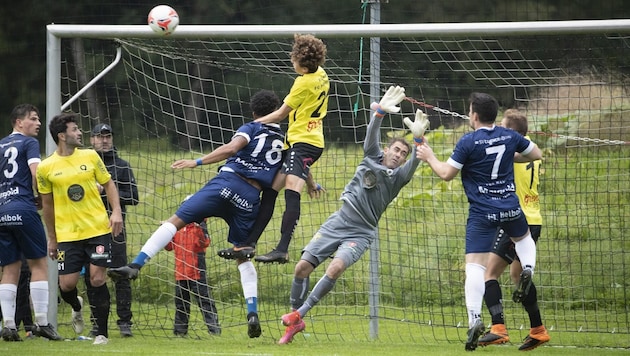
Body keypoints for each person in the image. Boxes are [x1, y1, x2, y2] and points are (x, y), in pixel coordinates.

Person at [108, 89, 285, 338]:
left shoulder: (252, 127)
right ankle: (252, 311)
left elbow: (232, 148)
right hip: (249, 198)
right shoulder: (285, 140)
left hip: (226, 183)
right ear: (279, 112)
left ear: (254, 112)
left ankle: (136, 265)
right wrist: (310, 183)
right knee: (242, 255)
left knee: (176, 221)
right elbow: (288, 173)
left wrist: (197, 162)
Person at [277, 86, 425, 344]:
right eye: (396, 150)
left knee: (335, 268)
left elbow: (416, 162)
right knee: (301, 268)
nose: (399, 155)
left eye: (403, 154)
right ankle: (293, 322)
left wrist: (419, 140)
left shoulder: (399, 177)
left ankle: (298, 314)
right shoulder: (370, 156)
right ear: (387, 150)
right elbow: (371, 135)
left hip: (361, 231)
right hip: (339, 220)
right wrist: (378, 113)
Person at [415, 93, 543, 351]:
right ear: (495, 115)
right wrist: (511, 156)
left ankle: (475, 318)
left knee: (475, 267)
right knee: (523, 239)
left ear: (473, 115)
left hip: (483, 213)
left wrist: (428, 154)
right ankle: (528, 267)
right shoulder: (510, 137)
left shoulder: (468, 142)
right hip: (512, 208)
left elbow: (446, 174)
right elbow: (536, 153)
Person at [37, 112, 124, 345]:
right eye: (75, 129)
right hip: (67, 235)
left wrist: (115, 212)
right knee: (66, 285)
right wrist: (52, 238)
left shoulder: (90, 156)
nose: (80, 133)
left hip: (97, 230)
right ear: (62, 136)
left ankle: (102, 333)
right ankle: (76, 305)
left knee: (96, 279)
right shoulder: (46, 168)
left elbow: (108, 183)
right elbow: (47, 205)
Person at [249, 33, 330, 264]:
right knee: (272, 191)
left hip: (304, 143)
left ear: (303, 66)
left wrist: (253, 124)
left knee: (291, 191)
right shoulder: (322, 75)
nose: (291, 61)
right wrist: (312, 183)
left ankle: (282, 250)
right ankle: (250, 242)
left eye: (294, 58)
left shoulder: (302, 82)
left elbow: (280, 114)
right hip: (304, 142)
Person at [478, 109, 550, 351]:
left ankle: (498, 328)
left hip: (515, 220)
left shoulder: (510, 150)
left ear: (511, 133)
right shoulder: (532, 146)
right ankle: (538, 330)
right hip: (534, 218)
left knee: (489, 273)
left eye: (503, 126)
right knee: (517, 276)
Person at [0, 104, 62, 341]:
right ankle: (43, 323)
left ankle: (8, 325)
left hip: (2, 210)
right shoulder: (29, 143)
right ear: (18, 122)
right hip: (23, 208)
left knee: (10, 268)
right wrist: (40, 196)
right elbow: (36, 172)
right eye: (34, 119)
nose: (38, 123)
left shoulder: (0, 145)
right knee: (39, 265)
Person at [86, 123, 139, 337]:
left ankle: (124, 321)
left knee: (120, 274)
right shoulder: (85, 164)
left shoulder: (122, 166)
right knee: (94, 277)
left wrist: (108, 191)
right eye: (100, 136)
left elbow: (133, 197)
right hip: (89, 230)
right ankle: (97, 322)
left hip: (115, 230)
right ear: (92, 140)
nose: (104, 140)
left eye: (108, 136)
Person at [165, 215, 220, 336]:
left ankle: (214, 330)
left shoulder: (198, 228)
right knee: (181, 303)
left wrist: (201, 226)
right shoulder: (177, 228)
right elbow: (169, 247)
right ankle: (180, 332)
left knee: (204, 301)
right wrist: (165, 231)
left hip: (197, 272)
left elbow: (204, 243)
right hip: (180, 273)